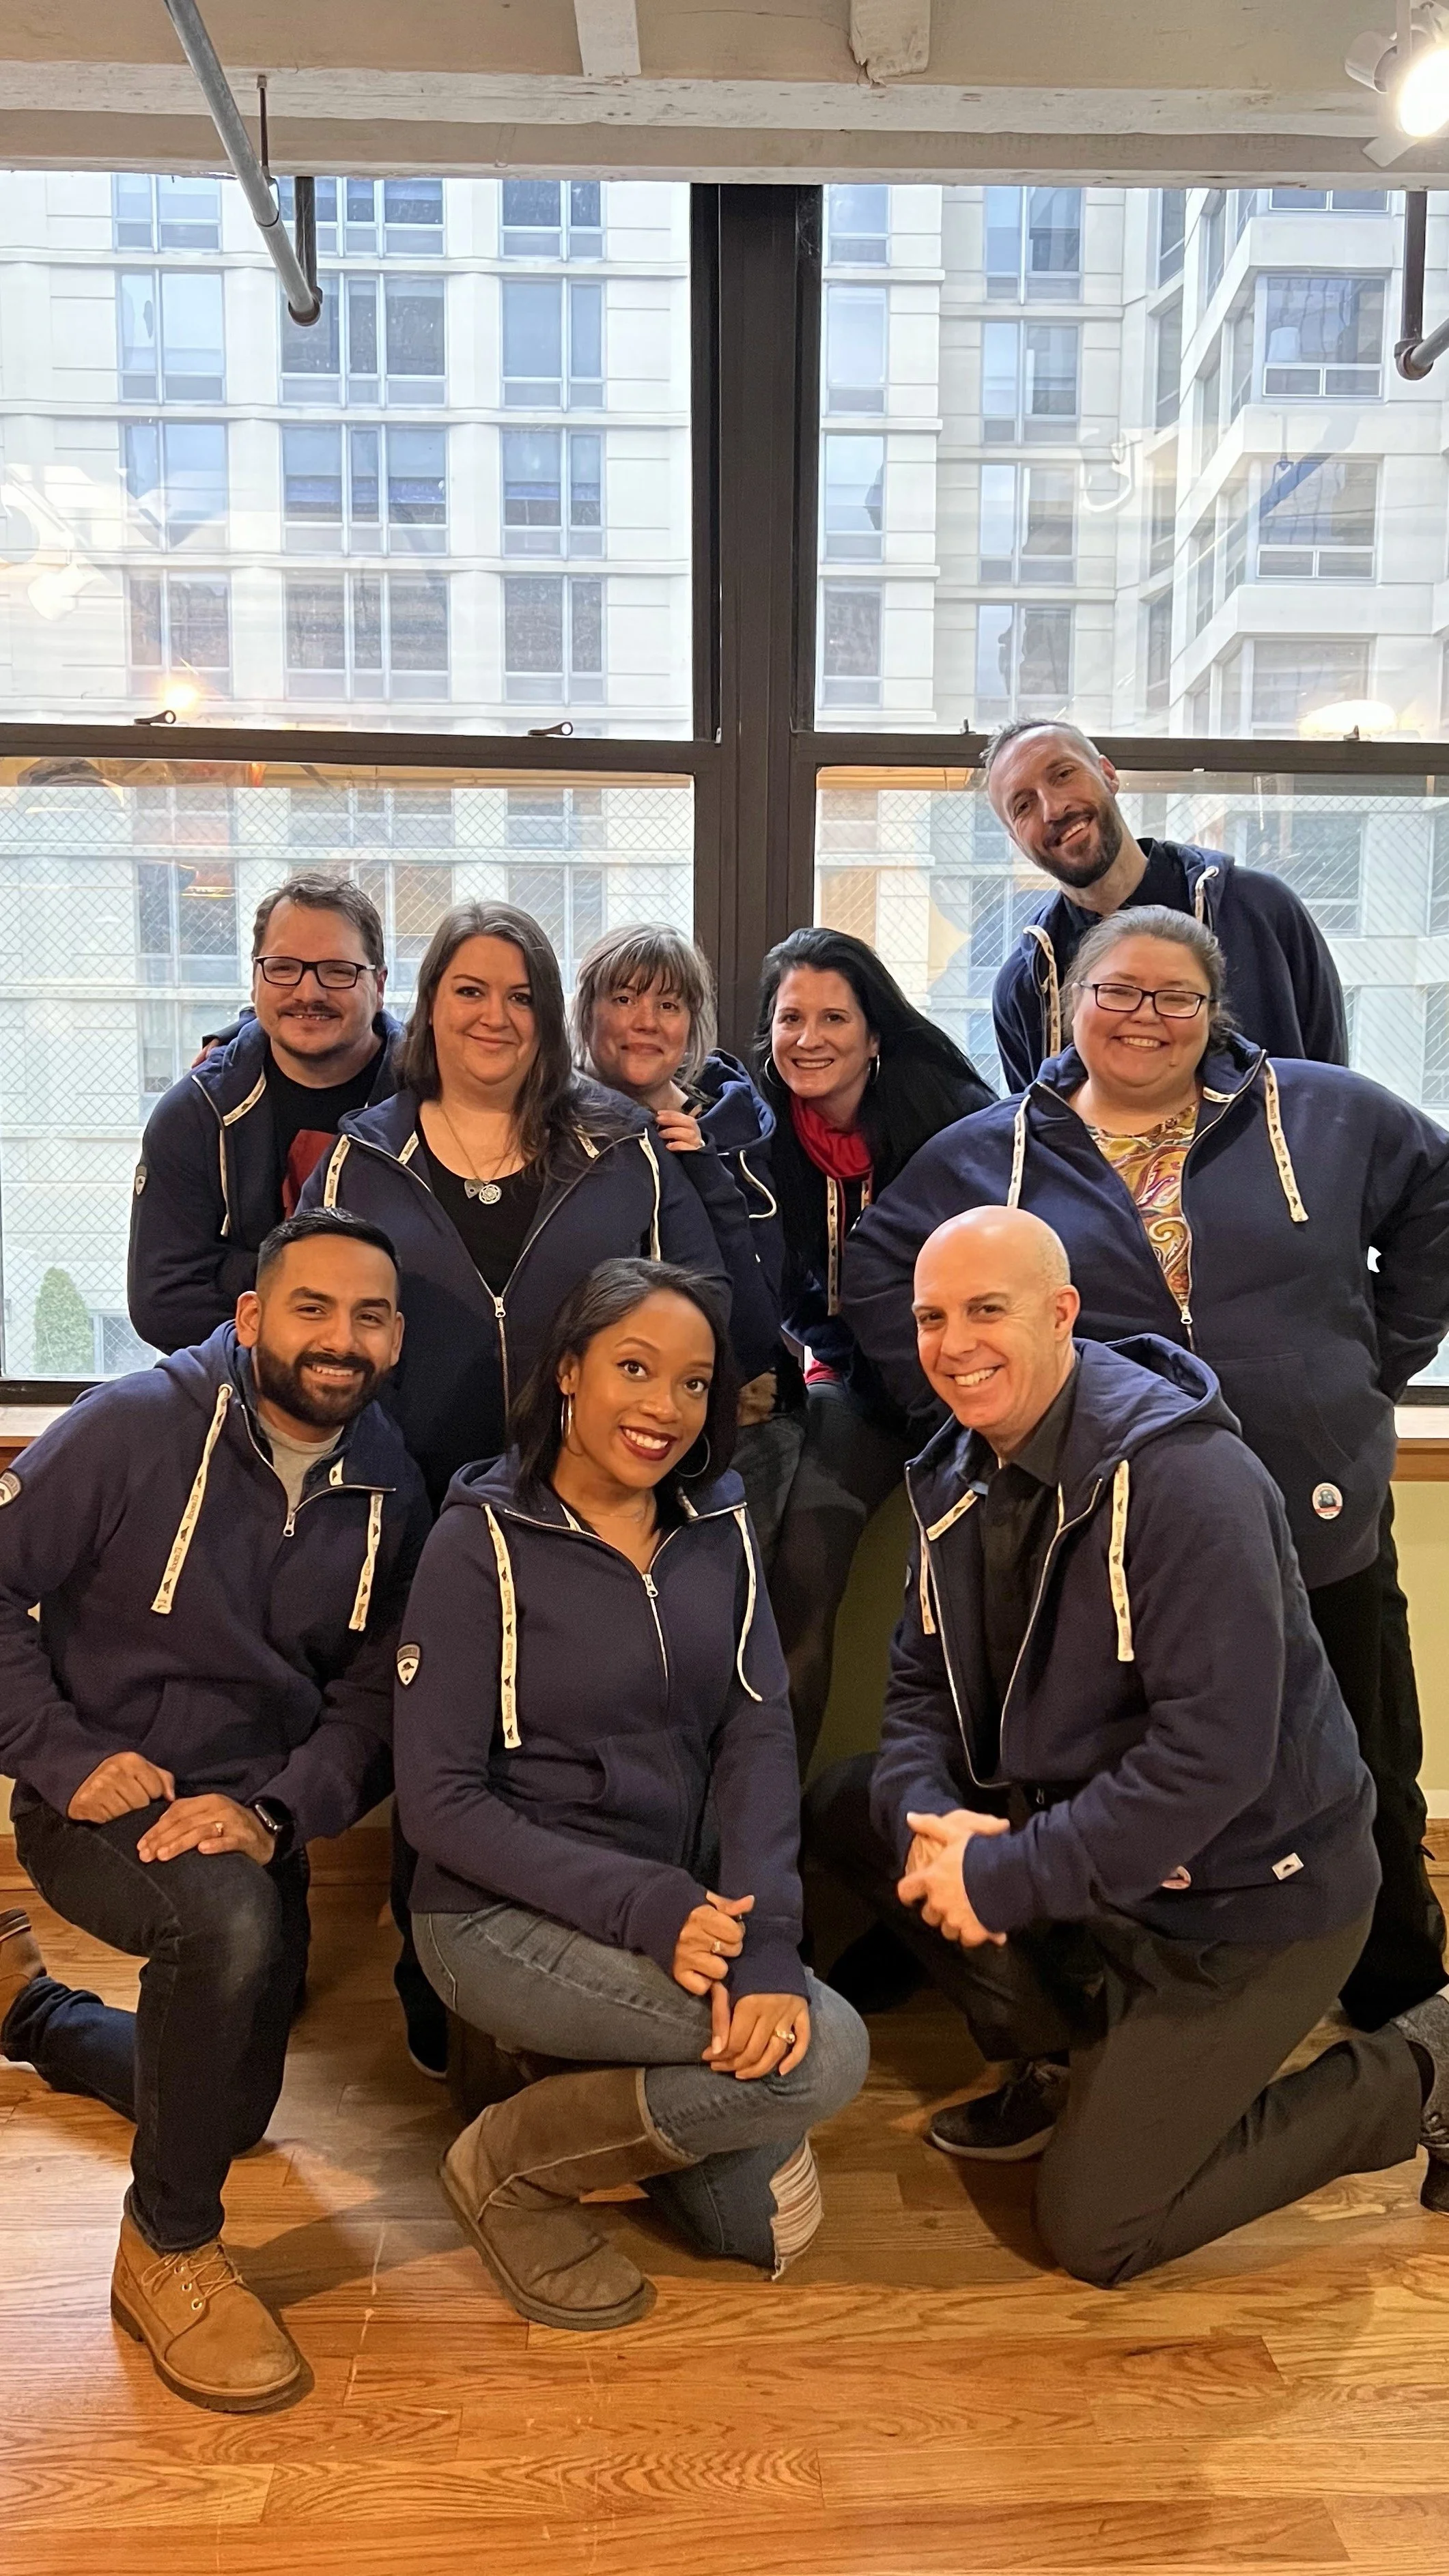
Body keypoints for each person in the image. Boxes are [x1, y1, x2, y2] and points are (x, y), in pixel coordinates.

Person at [808, 1208, 1449, 2288]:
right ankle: (1068, 2060)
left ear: (1061, 1314)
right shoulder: (952, 1473)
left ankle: (1421, 2070)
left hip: (1248, 1903)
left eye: (985, 1310)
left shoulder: (1187, 1482)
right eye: (930, 1317)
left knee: (1098, 2229)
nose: (953, 1342)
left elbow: (1214, 1760)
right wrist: (936, 1824)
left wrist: (1004, 1876)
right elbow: (918, 1681)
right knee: (851, 1803)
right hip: (1102, 1869)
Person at [844, 907, 1449, 2038]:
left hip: (1318, 1514)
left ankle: (1406, 2007)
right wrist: (969, 1410)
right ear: (1066, 1006)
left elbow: (1437, 1197)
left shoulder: (1319, 1111)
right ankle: (1138, 2010)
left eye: (1175, 993)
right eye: (1116, 989)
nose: (1146, 1015)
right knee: (1143, 1755)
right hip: (1126, 1530)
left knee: (1362, 1763)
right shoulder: (996, 1148)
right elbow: (884, 1265)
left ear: (1212, 1009)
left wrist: (1369, 1362)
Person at [0, 1211, 431, 2411]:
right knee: (227, 1934)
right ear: (251, 1318)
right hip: (99, 1799)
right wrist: (60, 1750)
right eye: (311, 1307)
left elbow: (369, 1701)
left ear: (395, 1337)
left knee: (228, 2103)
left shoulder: (396, 1487)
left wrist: (279, 1812)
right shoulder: (133, 1427)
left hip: (250, 1819)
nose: (339, 1338)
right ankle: (169, 2248)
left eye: (370, 1313)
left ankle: (28, 2008)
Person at [394, 1258, 869, 2330]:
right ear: (569, 1371)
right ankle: (507, 2170)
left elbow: (754, 1731)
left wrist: (767, 1945)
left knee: (761, 2231)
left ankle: (601, 2086)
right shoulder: (479, 1542)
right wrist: (646, 1910)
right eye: (634, 1368)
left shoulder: (719, 1523)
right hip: (495, 1916)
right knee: (829, 2053)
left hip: (680, 1910)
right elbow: (439, 1804)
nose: (663, 1408)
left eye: (693, 1384)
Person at [299, 901, 729, 2074]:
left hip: (581, 1502)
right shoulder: (361, 1153)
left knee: (575, 1737)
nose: (494, 1014)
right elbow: (310, 1315)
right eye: (469, 989)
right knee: (433, 1742)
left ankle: (593, 1972)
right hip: (413, 1505)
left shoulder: (619, 1144)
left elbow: (700, 1298)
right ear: (429, 1004)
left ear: (550, 1017)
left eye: (520, 994)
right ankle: (434, 1974)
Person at [752, 926, 994, 1771]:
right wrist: (831, 1357)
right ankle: (770, 1847)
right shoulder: (756, 1131)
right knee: (801, 1587)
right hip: (858, 1394)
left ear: (875, 1033)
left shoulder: (951, 1124)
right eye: (790, 1019)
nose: (808, 1039)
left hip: (965, 1396)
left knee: (990, 1604)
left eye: (833, 1018)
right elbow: (787, 1289)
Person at [572, 921, 796, 1557]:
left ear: (691, 1024)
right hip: (584, 1420)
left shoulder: (732, 1129)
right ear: (587, 1012)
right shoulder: (551, 1122)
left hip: (729, 1418)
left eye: (668, 1005)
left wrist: (704, 1168)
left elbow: (755, 1321)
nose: (646, 1021)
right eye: (623, 999)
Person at [984, 720, 1346, 1091]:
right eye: (1024, 805)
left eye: (1063, 774)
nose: (1053, 809)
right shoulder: (1025, 986)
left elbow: (1333, 1091)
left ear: (1108, 774)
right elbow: (1037, 1130)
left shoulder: (1260, 910)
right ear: (1015, 839)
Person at [128, 875, 402, 1354]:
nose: (308, 991)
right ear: (256, 978)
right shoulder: (195, 1113)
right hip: (244, 1397)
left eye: (337, 971)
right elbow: (163, 1304)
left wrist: (242, 1271)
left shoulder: (433, 1098)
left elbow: (448, 1285)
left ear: (378, 985)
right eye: (283, 967)